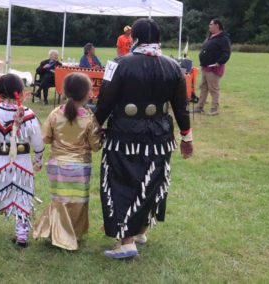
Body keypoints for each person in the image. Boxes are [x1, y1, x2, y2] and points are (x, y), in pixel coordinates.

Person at [94, 18, 193, 259]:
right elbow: (181, 107)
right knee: (151, 180)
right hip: (159, 135)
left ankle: (127, 241)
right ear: (159, 39)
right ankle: (139, 230)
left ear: (134, 38)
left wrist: (94, 126)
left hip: (123, 134)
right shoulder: (174, 67)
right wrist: (187, 137)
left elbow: (105, 101)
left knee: (121, 181)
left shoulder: (117, 63)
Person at [33, 73, 102, 250]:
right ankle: (72, 235)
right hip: (80, 167)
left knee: (60, 200)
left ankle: (57, 233)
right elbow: (96, 146)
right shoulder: (88, 117)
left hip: (57, 166)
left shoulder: (55, 114)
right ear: (87, 93)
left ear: (65, 91)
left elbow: (46, 138)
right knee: (78, 202)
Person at [0, 74, 44, 247]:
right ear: (20, 91)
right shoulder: (28, 114)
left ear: (0, 91)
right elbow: (38, 141)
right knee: (22, 193)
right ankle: (21, 235)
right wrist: (39, 157)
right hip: (21, 163)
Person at [195, 18, 231, 115]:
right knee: (203, 87)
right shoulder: (211, 36)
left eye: (211, 24)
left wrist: (219, 63)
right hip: (205, 67)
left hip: (214, 68)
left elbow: (226, 53)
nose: (209, 26)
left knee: (213, 89)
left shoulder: (223, 38)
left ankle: (214, 110)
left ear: (217, 26)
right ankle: (199, 107)